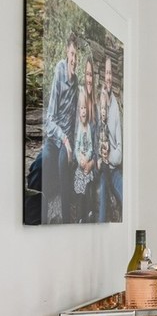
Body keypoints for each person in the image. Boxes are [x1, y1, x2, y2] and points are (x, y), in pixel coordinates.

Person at [33, 31, 80, 223]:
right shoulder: (59, 71)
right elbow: (49, 119)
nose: (74, 59)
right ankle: (40, 219)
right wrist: (64, 138)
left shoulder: (76, 83)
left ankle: (66, 218)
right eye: (71, 54)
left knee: (63, 164)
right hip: (56, 138)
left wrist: (72, 146)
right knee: (43, 161)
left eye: (76, 55)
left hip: (67, 141)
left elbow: (78, 118)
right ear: (66, 54)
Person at [96, 53, 123, 222]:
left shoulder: (116, 108)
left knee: (126, 195)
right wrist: (100, 159)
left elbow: (119, 153)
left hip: (114, 168)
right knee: (102, 204)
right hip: (101, 170)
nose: (108, 77)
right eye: (106, 73)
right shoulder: (99, 103)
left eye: (110, 73)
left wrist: (109, 157)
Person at [71, 63, 97, 222]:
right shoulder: (79, 128)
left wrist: (88, 160)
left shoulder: (88, 126)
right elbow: (77, 147)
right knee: (79, 187)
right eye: (81, 109)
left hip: (88, 163)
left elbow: (92, 148)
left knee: (89, 186)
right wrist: (80, 158)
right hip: (80, 163)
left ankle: (89, 212)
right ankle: (81, 215)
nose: (83, 112)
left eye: (85, 109)